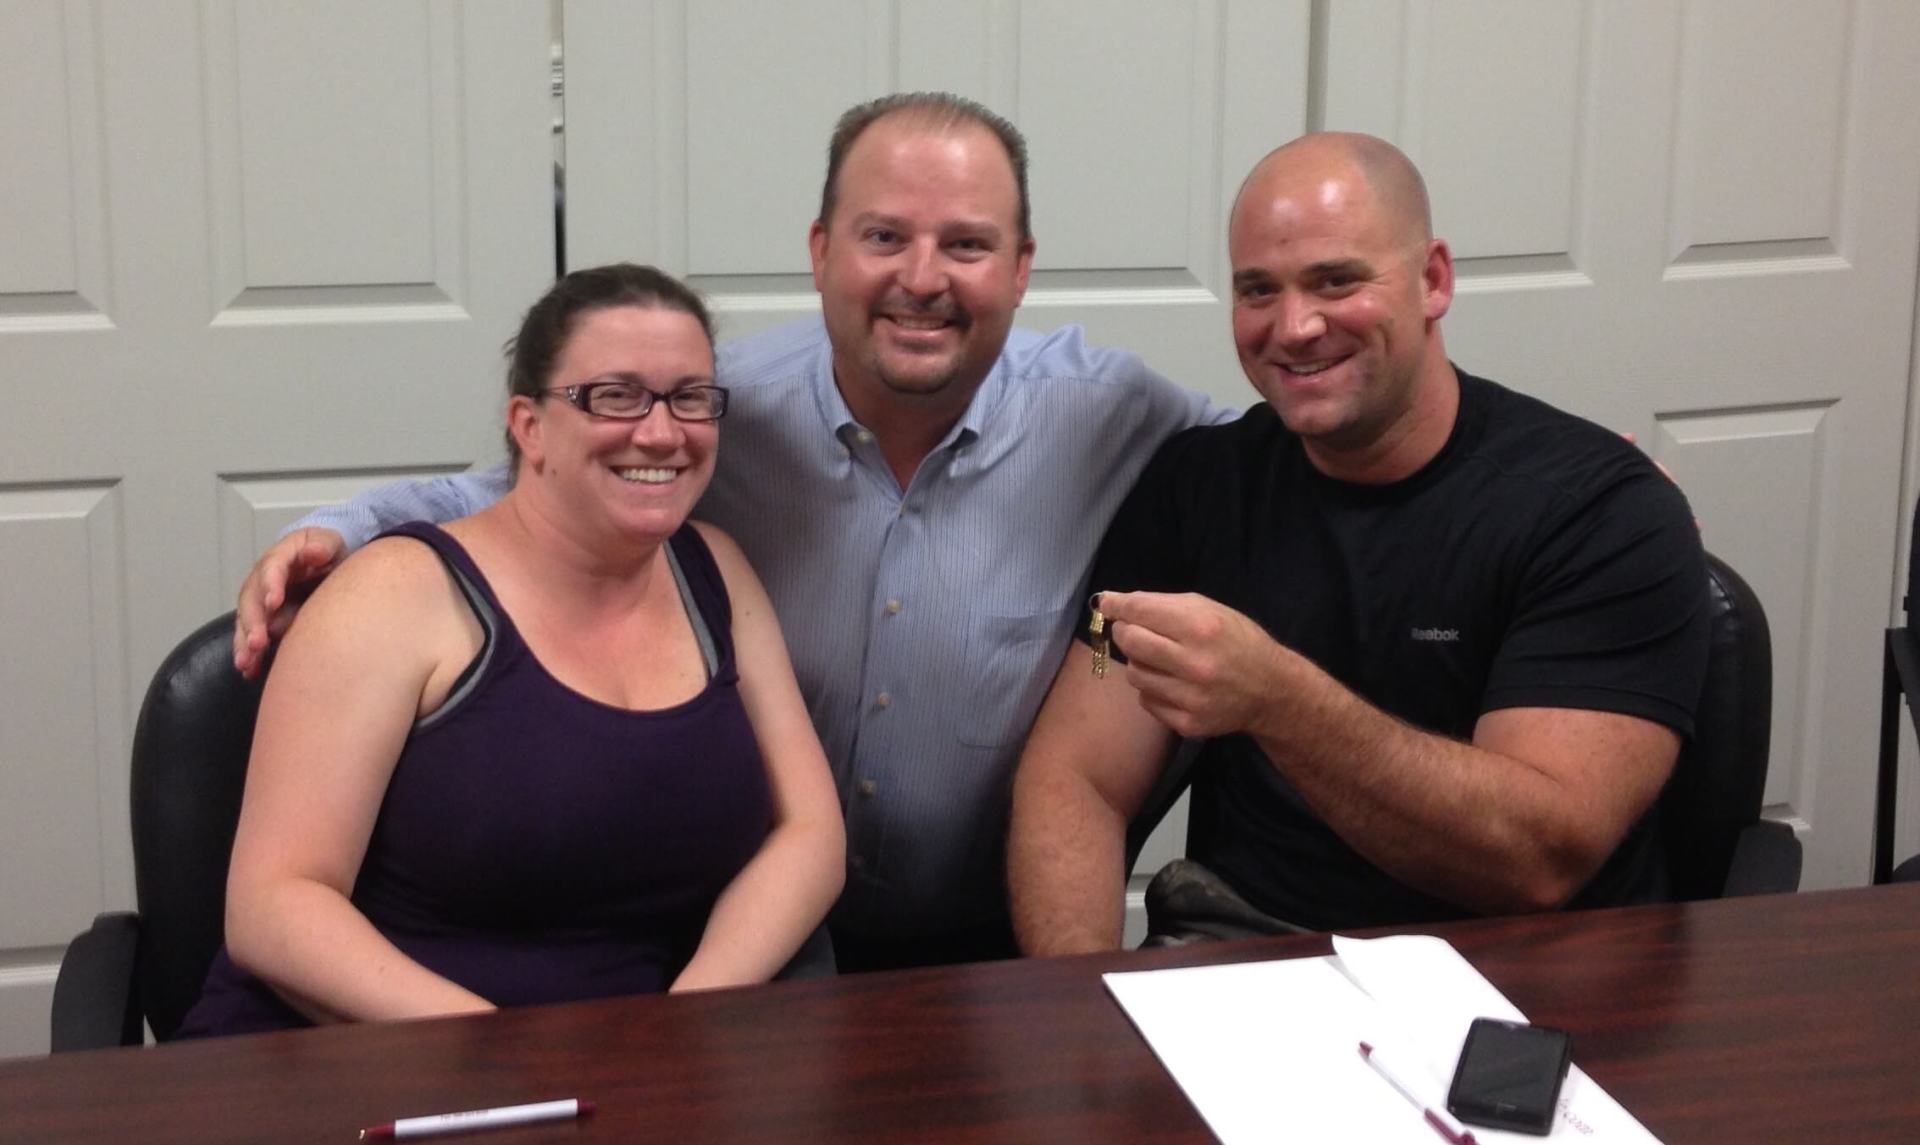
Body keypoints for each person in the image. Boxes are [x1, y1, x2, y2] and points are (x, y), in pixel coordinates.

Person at [226, 94, 1227, 971]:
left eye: (966, 244)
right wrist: (340, 526)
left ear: (1019, 268)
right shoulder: (714, 412)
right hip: (760, 938)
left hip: (992, 935)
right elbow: (530, 477)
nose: (922, 278)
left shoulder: (1112, 413)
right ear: (820, 251)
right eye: (883, 237)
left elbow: (1275, 467)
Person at [1007, 133, 1710, 953]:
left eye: (1336, 281)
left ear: (1433, 279)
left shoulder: (1594, 512)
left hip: (1523, 985)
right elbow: (1078, 772)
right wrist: (1079, 1007)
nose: (1295, 326)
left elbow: (1537, 859)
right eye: (1257, 290)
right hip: (1252, 963)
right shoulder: (1197, 487)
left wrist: (1278, 699)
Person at [180, 264, 844, 1035]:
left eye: (690, 397)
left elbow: (811, 832)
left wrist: (685, 1022)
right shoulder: (393, 592)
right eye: (615, 395)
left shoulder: (716, 573)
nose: (662, 432)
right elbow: (271, 906)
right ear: (529, 425)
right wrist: (508, 1059)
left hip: (628, 1082)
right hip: (357, 1060)